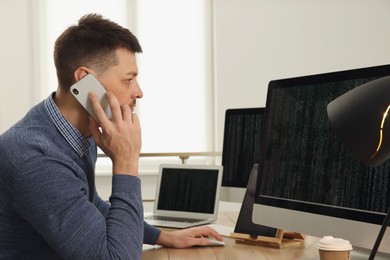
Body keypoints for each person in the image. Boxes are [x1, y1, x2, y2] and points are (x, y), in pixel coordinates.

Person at [0, 13, 223, 259]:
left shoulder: (68, 129)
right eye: (129, 80)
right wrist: (126, 162)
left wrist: (161, 236)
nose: (139, 92)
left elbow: (89, 206)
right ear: (85, 81)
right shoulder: (37, 161)